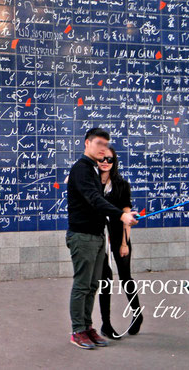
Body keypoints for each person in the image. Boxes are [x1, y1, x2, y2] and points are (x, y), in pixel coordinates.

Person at [66, 128, 138, 350]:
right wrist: (121, 214)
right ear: (87, 143)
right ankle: (78, 330)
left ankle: (88, 327)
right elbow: (94, 199)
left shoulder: (93, 170)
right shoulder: (81, 169)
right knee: (82, 285)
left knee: (93, 285)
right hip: (83, 236)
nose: (103, 149)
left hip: (97, 236)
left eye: (106, 145)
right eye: (99, 144)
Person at [97, 146, 143, 338]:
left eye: (110, 159)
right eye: (102, 159)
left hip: (118, 236)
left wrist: (125, 243)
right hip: (99, 237)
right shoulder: (91, 182)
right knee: (104, 279)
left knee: (125, 277)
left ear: (114, 162)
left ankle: (137, 314)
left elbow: (127, 215)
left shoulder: (122, 185)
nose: (105, 162)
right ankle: (106, 324)